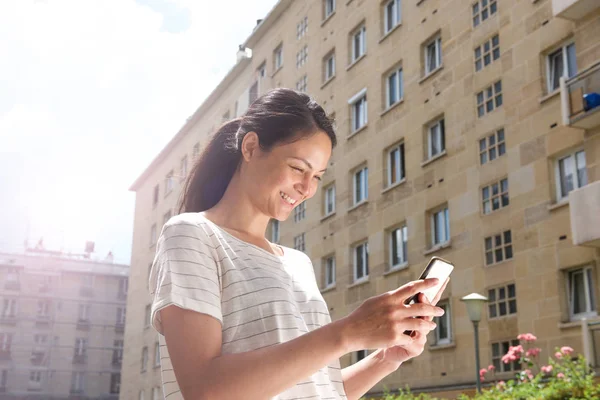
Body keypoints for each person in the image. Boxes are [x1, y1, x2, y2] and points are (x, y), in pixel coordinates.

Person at [148, 88, 448, 399]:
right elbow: (204, 390)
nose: (306, 188)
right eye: (298, 169)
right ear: (250, 147)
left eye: (317, 176)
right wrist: (348, 332)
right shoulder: (193, 235)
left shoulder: (297, 263)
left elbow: (316, 390)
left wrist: (385, 358)